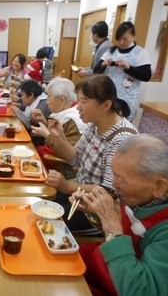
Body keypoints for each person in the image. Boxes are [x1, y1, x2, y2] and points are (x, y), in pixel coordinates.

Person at [73, 134, 168, 296]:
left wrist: (112, 228)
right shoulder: (141, 198)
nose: (114, 185)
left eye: (121, 179)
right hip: (102, 268)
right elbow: (124, 233)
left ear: (159, 186)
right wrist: (96, 214)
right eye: (114, 174)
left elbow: (142, 291)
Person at [45, 74, 138, 235]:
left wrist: (66, 186)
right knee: (40, 199)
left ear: (106, 105)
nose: (78, 106)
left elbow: (108, 192)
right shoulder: (94, 125)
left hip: (96, 211)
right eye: (78, 100)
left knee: (44, 220)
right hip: (78, 193)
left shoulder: (122, 139)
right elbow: (76, 158)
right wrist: (59, 136)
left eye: (84, 101)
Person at [94, 21, 152, 121]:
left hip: (127, 98)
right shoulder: (111, 51)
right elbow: (96, 71)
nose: (121, 42)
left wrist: (128, 67)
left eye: (125, 39)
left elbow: (146, 76)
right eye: (119, 39)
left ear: (133, 36)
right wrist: (103, 64)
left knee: (122, 127)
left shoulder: (141, 53)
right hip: (108, 95)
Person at [30, 77, 87, 164]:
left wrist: (46, 134)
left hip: (60, 166)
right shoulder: (65, 111)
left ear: (61, 100)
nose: (47, 102)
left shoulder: (75, 120)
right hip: (49, 152)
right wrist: (45, 122)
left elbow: (67, 154)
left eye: (49, 97)